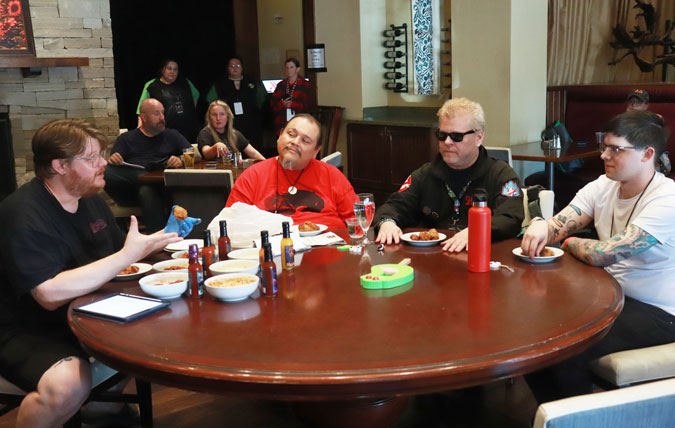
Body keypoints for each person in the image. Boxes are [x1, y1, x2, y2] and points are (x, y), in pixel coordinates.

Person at [0, 119, 180, 428]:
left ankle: (103, 403)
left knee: (156, 319)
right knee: (68, 382)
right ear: (59, 166)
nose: (103, 164)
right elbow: (49, 294)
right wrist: (128, 254)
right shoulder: (22, 214)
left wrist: (157, 243)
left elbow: (115, 258)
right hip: (23, 329)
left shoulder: (90, 197)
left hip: (82, 310)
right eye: (92, 157)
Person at [521, 110, 675, 404]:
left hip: (660, 311)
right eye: (604, 146)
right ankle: (551, 417)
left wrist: (571, 242)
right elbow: (560, 224)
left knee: (566, 347)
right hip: (611, 297)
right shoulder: (603, 185)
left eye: (616, 149)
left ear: (647, 154)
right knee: (532, 333)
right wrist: (543, 225)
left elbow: (603, 255)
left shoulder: (667, 198)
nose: (604, 155)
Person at [374, 97, 524, 251]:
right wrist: (387, 222)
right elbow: (395, 206)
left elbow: (511, 218)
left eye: (456, 137)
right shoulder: (425, 174)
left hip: (484, 257)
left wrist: (478, 231)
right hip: (434, 260)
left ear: (479, 137)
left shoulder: (500, 174)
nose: (447, 142)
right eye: (442, 135)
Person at [226, 114, 356, 228]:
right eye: (291, 134)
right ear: (280, 135)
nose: (295, 142)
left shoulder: (331, 176)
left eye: (305, 141)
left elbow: (358, 221)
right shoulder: (252, 176)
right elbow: (230, 224)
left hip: (328, 250)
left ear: (316, 151)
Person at [104, 98, 190, 232]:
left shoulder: (172, 135)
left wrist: (181, 159)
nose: (162, 118)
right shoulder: (126, 138)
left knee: (146, 190)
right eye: (156, 114)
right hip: (130, 192)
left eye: (163, 113)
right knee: (106, 171)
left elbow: (194, 153)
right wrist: (114, 158)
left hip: (164, 190)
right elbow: (114, 165)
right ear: (143, 117)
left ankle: (157, 237)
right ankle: (148, 177)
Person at [206, 57, 266, 148]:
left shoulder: (252, 81)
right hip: (230, 123)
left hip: (251, 122)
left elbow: (261, 98)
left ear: (242, 67)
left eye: (238, 66)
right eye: (232, 66)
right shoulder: (220, 83)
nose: (235, 68)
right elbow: (211, 100)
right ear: (227, 68)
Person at [136, 58, 200, 142]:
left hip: (188, 132)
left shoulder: (185, 82)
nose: (172, 72)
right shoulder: (151, 86)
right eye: (169, 68)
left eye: (175, 69)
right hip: (163, 133)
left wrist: (187, 113)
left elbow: (195, 96)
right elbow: (142, 110)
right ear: (163, 70)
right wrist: (140, 131)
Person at [197, 100, 265, 161]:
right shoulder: (205, 133)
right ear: (209, 117)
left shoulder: (235, 133)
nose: (218, 118)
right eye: (214, 115)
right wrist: (216, 147)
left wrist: (267, 164)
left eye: (222, 114)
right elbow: (206, 153)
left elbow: (253, 153)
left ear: (228, 117)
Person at [270, 58, 311, 136]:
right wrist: (282, 104)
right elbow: (273, 105)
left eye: (291, 67)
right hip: (282, 122)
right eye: (287, 68)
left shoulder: (305, 85)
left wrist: (292, 104)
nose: (288, 70)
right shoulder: (281, 85)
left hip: (299, 122)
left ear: (297, 69)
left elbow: (307, 105)